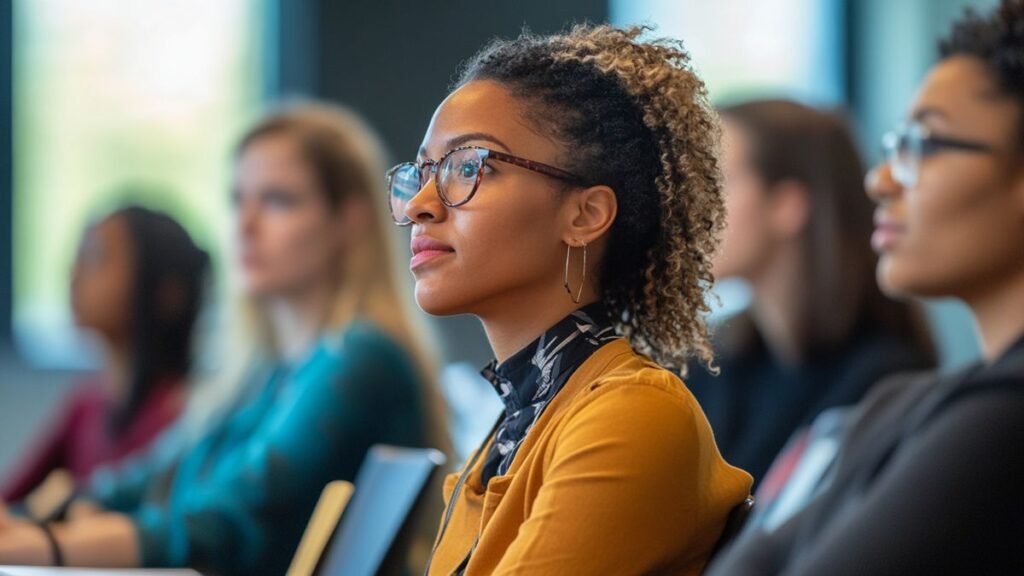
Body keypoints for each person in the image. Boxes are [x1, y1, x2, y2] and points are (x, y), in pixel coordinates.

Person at [0, 103, 449, 575]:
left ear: (350, 220)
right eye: (238, 200)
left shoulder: (361, 357)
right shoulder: (266, 370)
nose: (245, 225)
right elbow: (145, 479)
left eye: (277, 200)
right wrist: (25, 520)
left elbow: (224, 527)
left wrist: (43, 544)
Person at [389, 25, 752, 575]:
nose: (420, 203)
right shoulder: (512, 428)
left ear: (584, 216)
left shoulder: (633, 414)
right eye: (424, 172)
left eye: (469, 167)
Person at [708, 2, 1024, 573]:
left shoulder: (990, 411)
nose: (879, 180)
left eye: (924, 145)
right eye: (893, 146)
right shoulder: (900, 405)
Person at [686, 100, 935, 487]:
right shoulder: (711, 360)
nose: (689, 207)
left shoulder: (883, 385)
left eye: (714, 181)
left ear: (788, 204)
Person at [2, 206, 209, 504]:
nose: (74, 273)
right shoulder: (86, 406)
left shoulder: (181, 420)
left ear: (165, 292)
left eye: (96, 257)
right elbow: (10, 500)